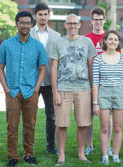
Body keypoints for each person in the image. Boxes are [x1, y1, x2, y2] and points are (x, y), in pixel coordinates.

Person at [0, 11, 48, 167]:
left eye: (28, 23)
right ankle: (13, 156)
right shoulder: (6, 44)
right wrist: (6, 89)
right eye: (22, 22)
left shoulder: (38, 46)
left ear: (31, 25)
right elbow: (0, 68)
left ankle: (29, 154)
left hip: (31, 92)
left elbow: (42, 69)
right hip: (12, 92)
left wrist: (36, 88)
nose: (25, 25)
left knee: (30, 125)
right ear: (16, 24)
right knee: (12, 126)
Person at [50, 14, 96, 165]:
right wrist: (55, 91)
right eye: (69, 24)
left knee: (83, 123)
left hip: (83, 89)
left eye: (74, 23)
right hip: (63, 88)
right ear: (65, 25)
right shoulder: (58, 43)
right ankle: (61, 155)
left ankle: (81, 153)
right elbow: (54, 68)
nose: (72, 26)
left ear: (79, 24)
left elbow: (90, 66)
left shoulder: (87, 42)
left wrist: (92, 89)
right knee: (61, 124)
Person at [92, 30, 123, 165]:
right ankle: (104, 156)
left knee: (117, 128)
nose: (113, 42)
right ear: (105, 41)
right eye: (110, 39)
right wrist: (95, 103)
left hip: (120, 93)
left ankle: (115, 155)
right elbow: (95, 82)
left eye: (115, 39)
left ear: (118, 42)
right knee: (104, 127)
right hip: (104, 93)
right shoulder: (98, 59)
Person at [30, 2, 61, 155]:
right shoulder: (28, 34)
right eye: (40, 14)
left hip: (50, 82)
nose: (43, 17)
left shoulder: (56, 36)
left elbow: (59, 61)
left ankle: (51, 147)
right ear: (35, 15)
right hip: (32, 83)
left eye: (45, 14)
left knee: (52, 117)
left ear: (49, 15)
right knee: (30, 117)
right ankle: (28, 149)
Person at [84, 6, 115, 156]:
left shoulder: (110, 37)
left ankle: (108, 146)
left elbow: (116, 58)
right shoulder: (86, 39)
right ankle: (89, 146)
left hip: (106, 84)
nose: (98, 22)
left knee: (106, 117)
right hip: (89, 83)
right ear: (91, 21)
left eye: (100, 19)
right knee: (88, 116)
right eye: (95, 19)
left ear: (104, 20)